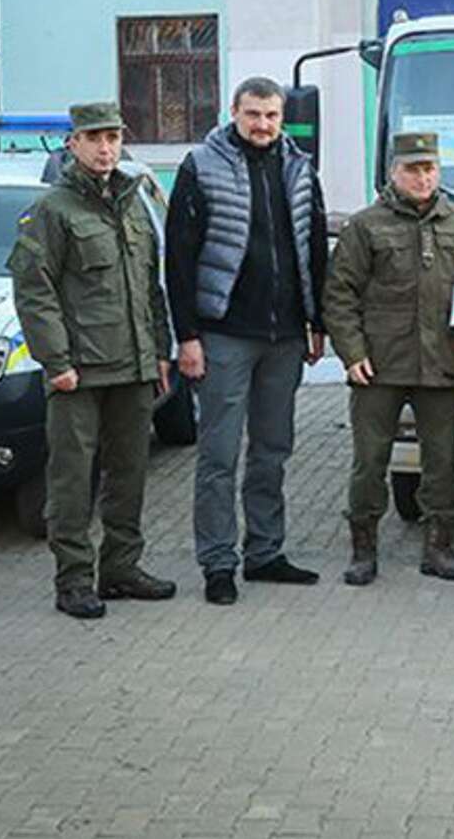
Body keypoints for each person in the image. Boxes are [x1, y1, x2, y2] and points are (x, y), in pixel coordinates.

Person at [165, 75, 330, 606]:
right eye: (253, 113)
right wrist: (187, 335)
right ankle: (218, 562)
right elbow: (179, 258)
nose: (263, 124)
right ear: (233, 111)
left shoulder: (299, 167)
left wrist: (317, 322)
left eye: (272, 115)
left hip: (285, 337)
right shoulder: (201, 166)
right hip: (224, 335)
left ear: (283, 118)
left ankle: (265, 553)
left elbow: (315, 250)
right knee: (218, 454)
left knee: (273, 450)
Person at [8, 101, 175, 619]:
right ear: (73, 144)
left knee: (129, 476)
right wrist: (56, 362)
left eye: (113, 138)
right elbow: (34, 293)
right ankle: (74, 580)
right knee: (72, 480)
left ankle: (121, 568)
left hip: (133, 366)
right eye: (94, 139)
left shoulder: (131, 200)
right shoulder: (53, 211)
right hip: (78, 373)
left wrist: (160, 352)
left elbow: (150, 287)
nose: (105, 148)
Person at [323, 132, 454, 586]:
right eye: (412, 169)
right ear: (394, 173)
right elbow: (339, 294)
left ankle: (439, 549)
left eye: (429, 169)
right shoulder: (366, 226)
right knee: (370, 462)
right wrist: (352, 354)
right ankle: (363, 550)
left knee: (440, 462)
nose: (422, 178)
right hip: (379, 367)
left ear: (439, 171)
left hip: (441, 363)